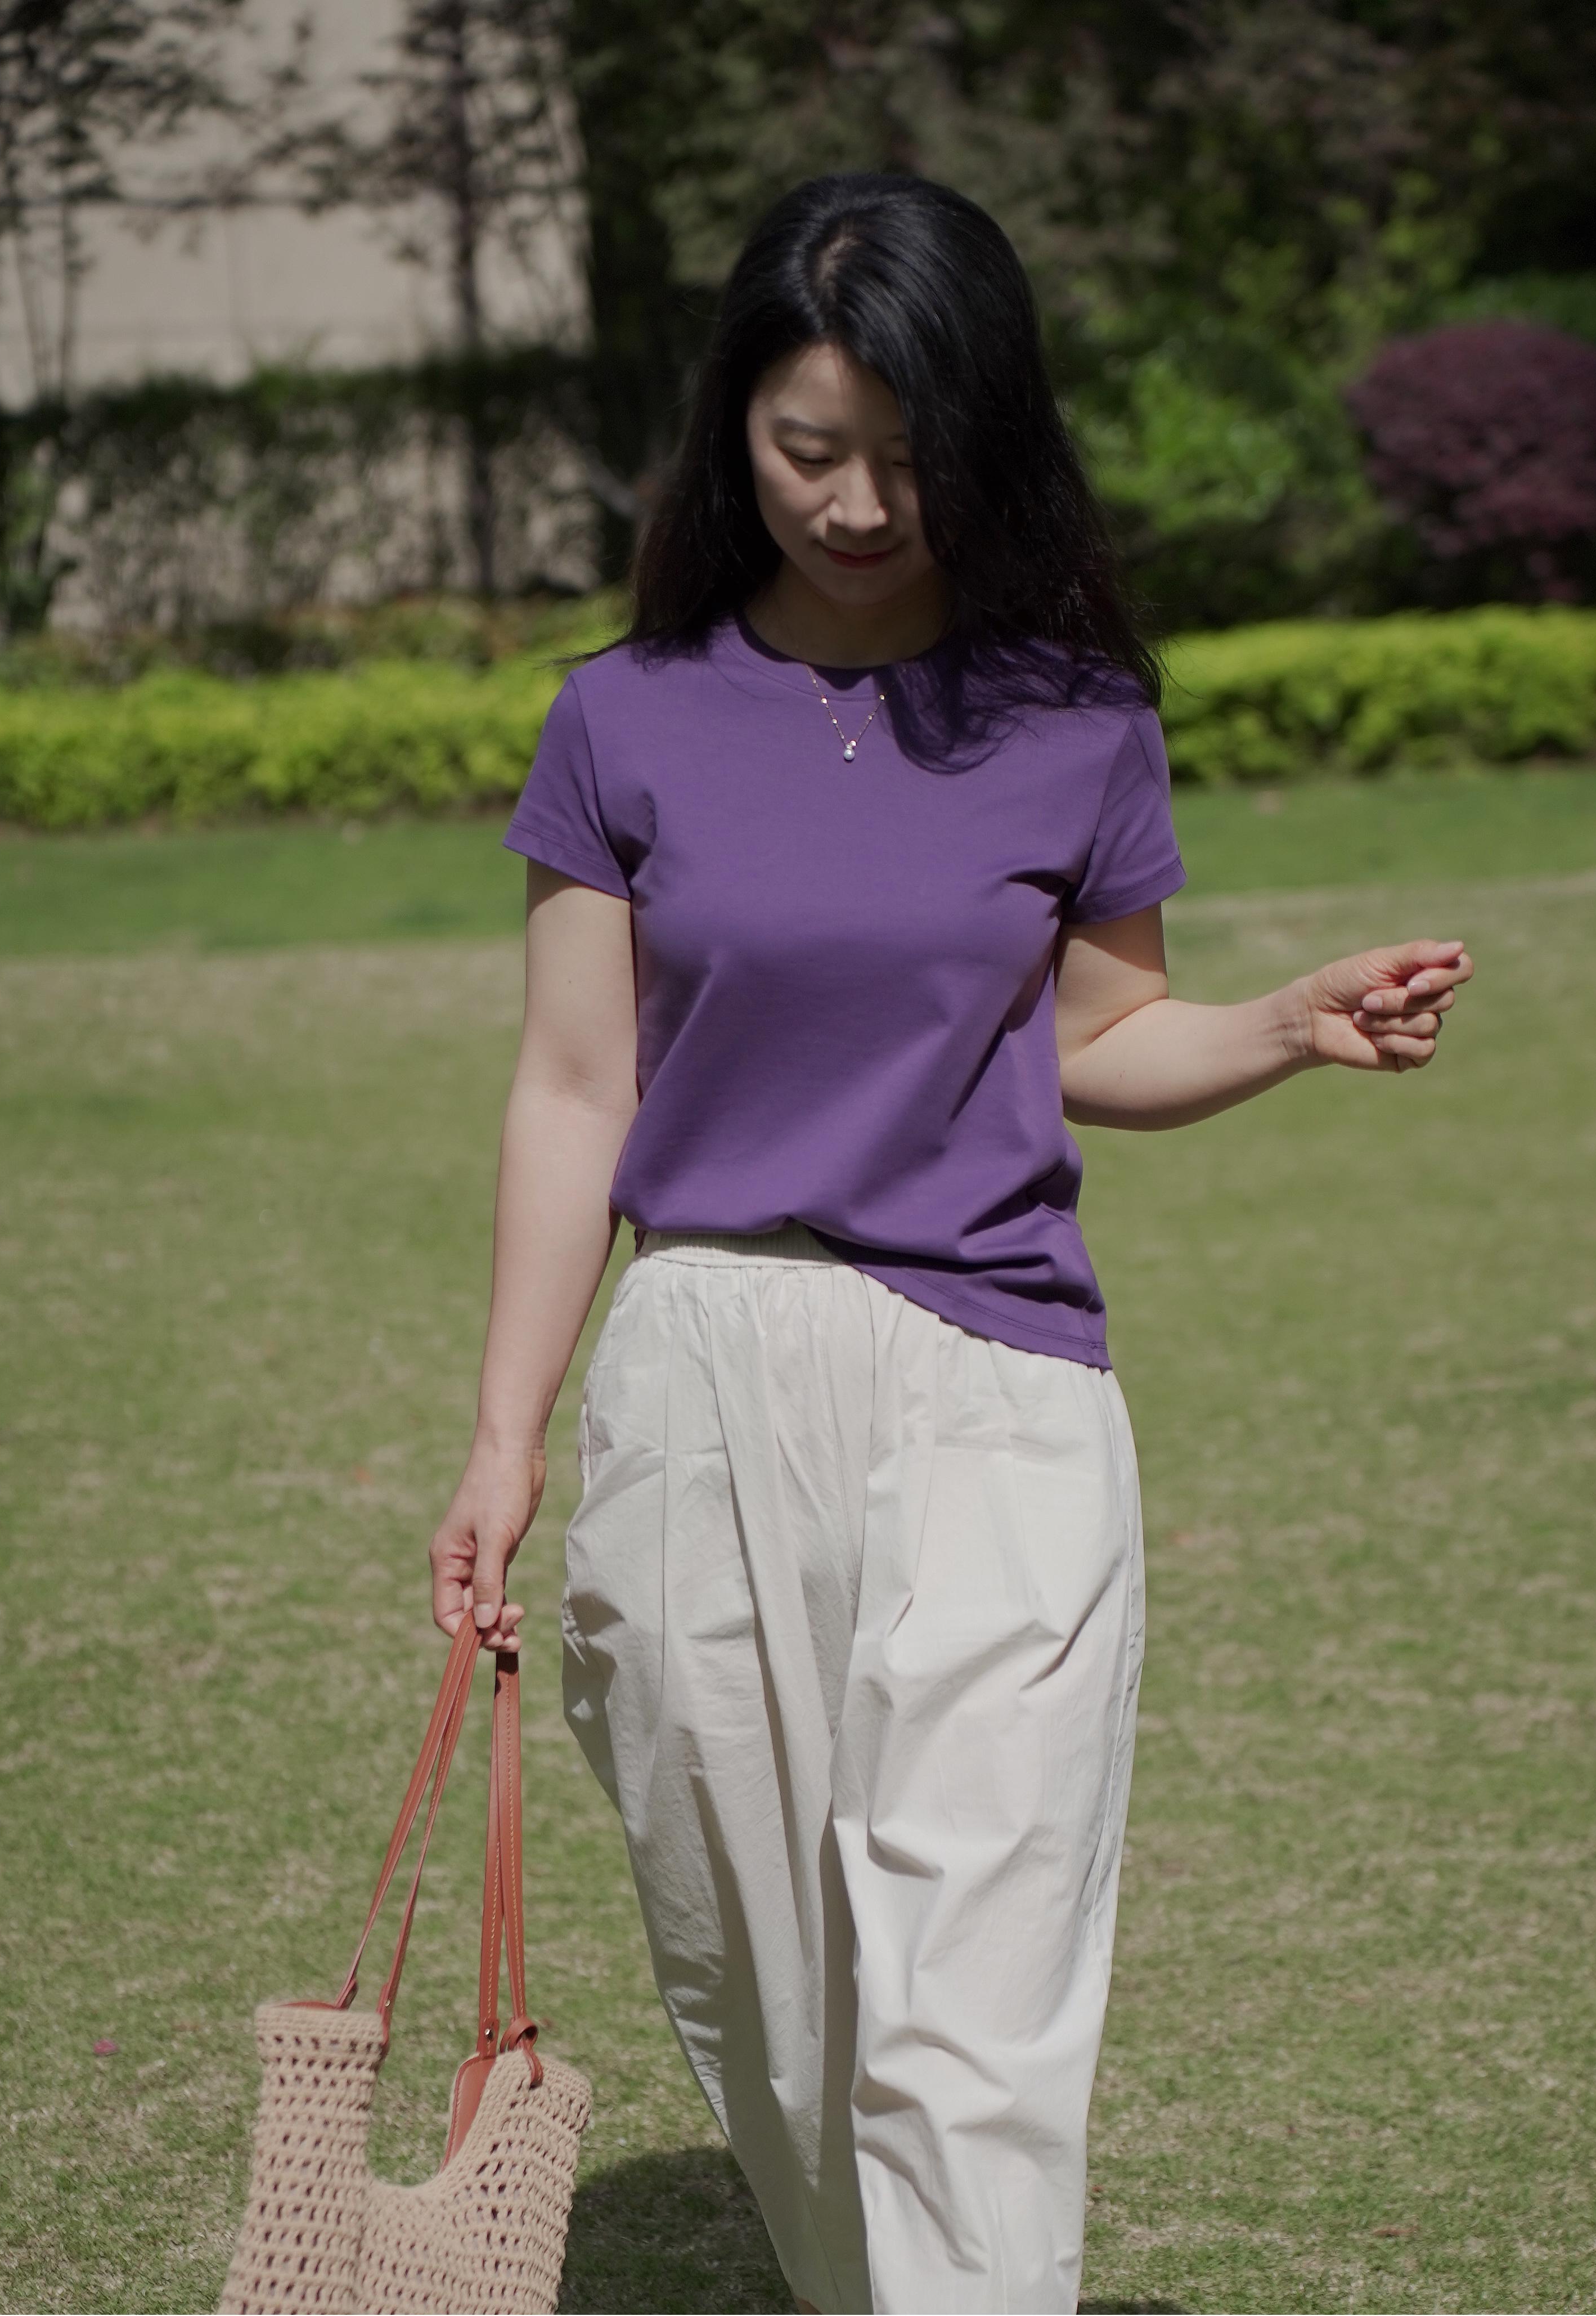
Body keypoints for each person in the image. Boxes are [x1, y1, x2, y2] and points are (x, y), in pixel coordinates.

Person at [429, 171, 1471, 2316]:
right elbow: (575, 1088)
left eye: (907, 457)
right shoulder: (625, 717)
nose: (856, 504)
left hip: (1000, 1387)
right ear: (735, 428)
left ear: (985, 439)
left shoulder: (1075, 716)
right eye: (810, 448)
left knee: (970, 1997)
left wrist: (1282, 1028)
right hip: (701, 1371)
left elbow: (1096, 1039)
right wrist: (506, 1434)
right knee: (771, 1989)